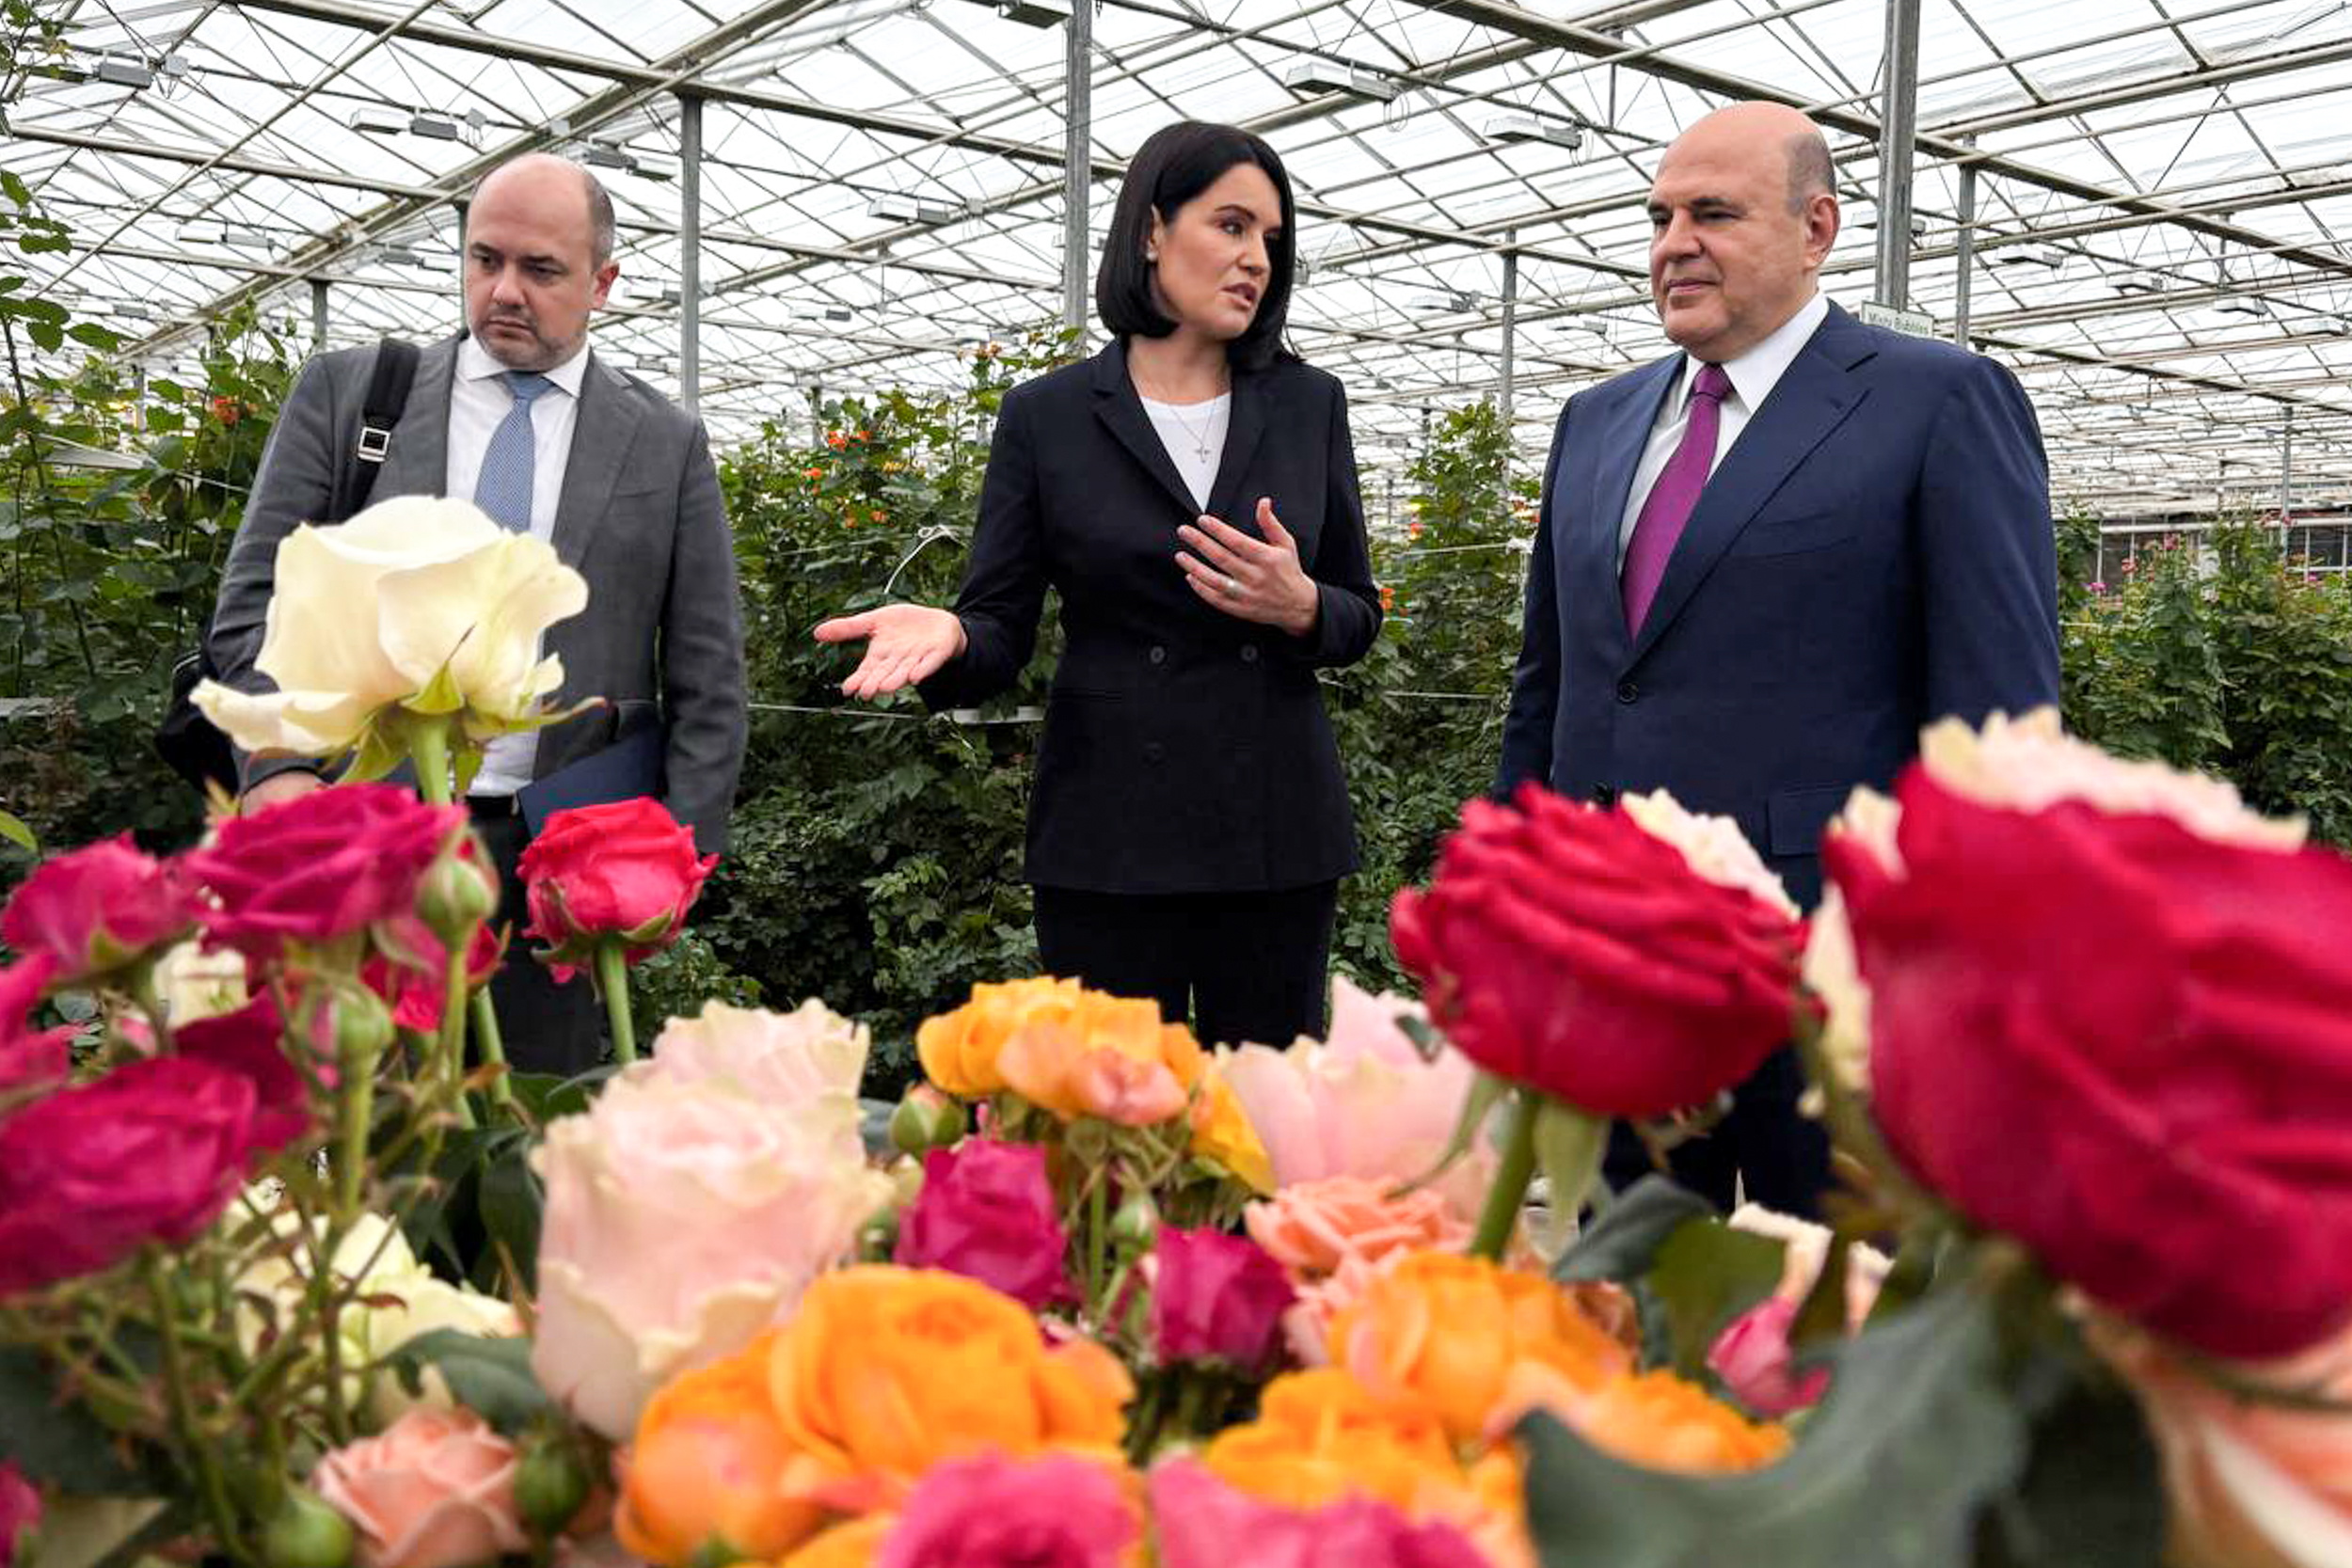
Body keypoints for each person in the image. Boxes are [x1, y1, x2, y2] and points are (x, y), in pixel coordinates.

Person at [1496, 102, 2060, 1214]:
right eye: (1658, 217)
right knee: (1625, 1275)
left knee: (1833, 1290)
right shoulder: (1594, 422)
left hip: (1826, 966)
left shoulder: (1934, 402)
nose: (1673, 244)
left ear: (1816, 229)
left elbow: (1997, 725)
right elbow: (1552, 684)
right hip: (1611, 960)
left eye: (1712, 214)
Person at [815, 121, 1380, 1050]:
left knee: (1261, 1111)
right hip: (1111, 828)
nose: (1256, 259)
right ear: (1152, 230)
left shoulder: (1307, 403)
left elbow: (1357, 610)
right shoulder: (1050, 416)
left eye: (1271, 239)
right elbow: (998, 627)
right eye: (1231, 225)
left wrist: (1304, 606)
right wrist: (953, 636)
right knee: (1110, 1106)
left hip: (1273, 828)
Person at [206, 152, 748, 1076]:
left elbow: (709, 675)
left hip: (558, 865)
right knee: (374, 1114)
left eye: (541, 270)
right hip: (368, 838)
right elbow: (254, 606)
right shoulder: (355, 399)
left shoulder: (664, 441)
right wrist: (280, 771)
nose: (504, 291)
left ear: (602, 283)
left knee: (536, 1119)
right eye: (484, 259)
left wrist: (670, 862)